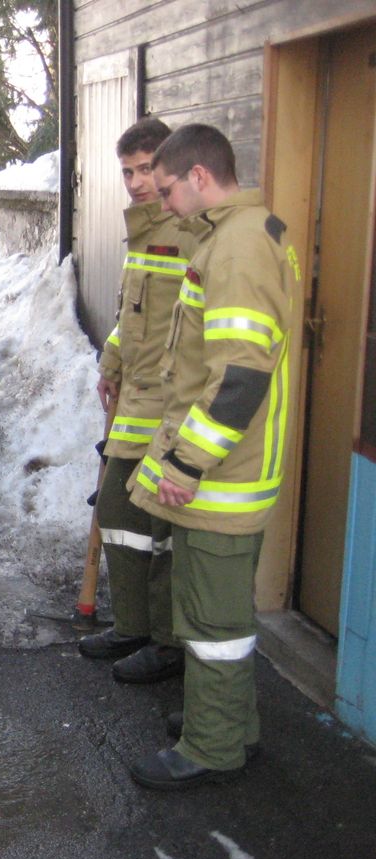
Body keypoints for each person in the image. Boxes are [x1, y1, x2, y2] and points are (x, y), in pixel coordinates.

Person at [127, 123, 300, 790]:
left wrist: (187, 462)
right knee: (214, 612)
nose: (161, 201)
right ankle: (227, 722)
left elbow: (241, 375)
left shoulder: (233, 250)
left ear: (200, 177)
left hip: (221, 475)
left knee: (213, 621)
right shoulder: (243, 234)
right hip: (232, 468)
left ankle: (213, 747)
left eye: (167, 188)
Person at [78, 118, 187, 684]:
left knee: (162, 528)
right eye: (128, 172)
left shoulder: (191, 231)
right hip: (136, 398)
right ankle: (134, 627)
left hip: (171, 408)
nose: (138, 182)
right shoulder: (142, 233)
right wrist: (111, 363)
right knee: (120, 515)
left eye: (147, 170)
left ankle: (168, 644)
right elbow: (129, 319)